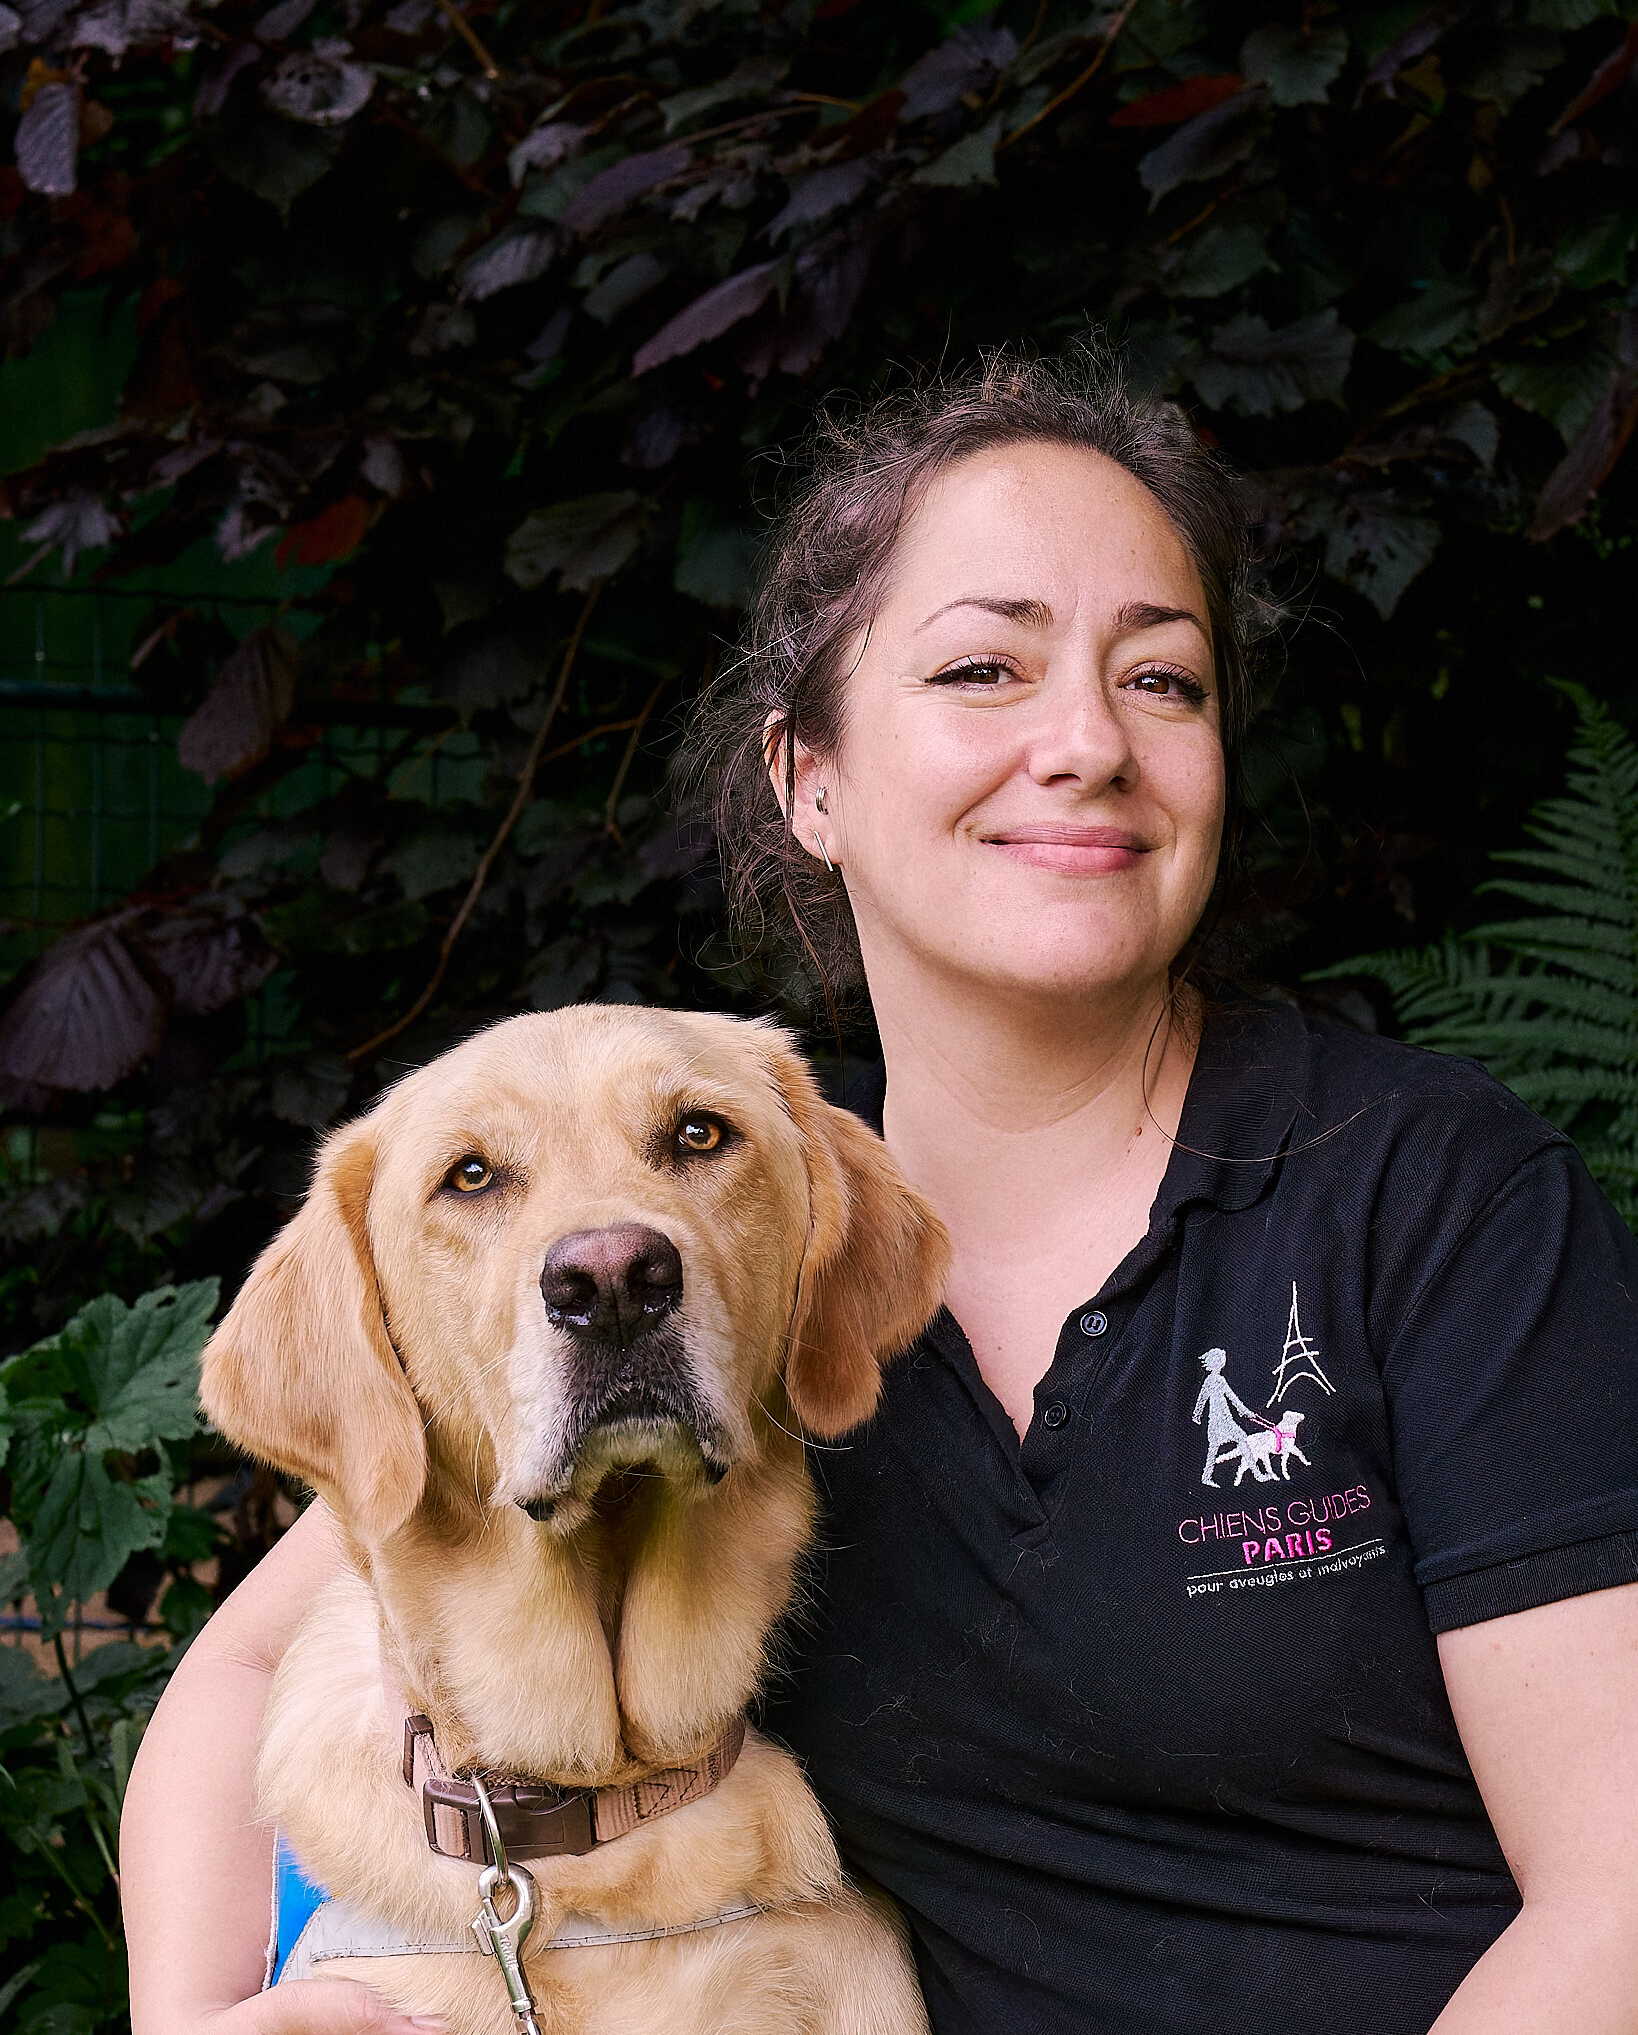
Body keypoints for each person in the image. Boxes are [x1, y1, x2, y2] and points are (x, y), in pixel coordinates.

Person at [120, 350, 1638, 2035]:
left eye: (1165, 680)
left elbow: (1622, 1909)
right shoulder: (757, 1232)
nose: (1084, 743)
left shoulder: (1429, 1199)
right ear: (808, 779)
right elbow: (249, 1665)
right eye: (984, 668)